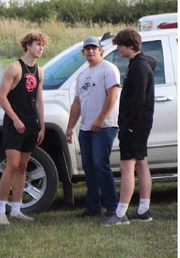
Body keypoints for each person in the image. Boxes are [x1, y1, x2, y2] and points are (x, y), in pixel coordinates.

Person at [102, 29, 157, 226]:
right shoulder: (140, 64)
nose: (117, 49)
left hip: (135, 125)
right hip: (140, 124)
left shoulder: (139, 67)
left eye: (119, 45)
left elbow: (139, 99)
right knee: (141, 163)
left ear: (130, 46)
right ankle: (143, 210)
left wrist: (130, 126)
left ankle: (120, 213)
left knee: (127, 166)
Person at [0, 32, 49, 225]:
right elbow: (2, 97)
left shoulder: (40, 72)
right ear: (27, 46)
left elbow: (39, 100)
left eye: (43, 45)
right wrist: (16, 119)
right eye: (37, 44)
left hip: (31, 125)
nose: (40, 48)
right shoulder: (14, 68)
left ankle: (16, 209)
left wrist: (41, 126)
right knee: (12, 165)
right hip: (13, 124)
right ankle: (1, 210)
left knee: (23, 167)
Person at [65, 36, 120, 218]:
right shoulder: (82, 74)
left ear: (100, 51)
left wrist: (100, 119)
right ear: (83, 52)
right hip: (86, 128)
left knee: (100, 164)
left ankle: (113, 207)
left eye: (93, 48)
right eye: (87, 49)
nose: (90, 51)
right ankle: (93, 207)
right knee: (89, 167)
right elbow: (77, 103)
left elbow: (112, 96)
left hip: (104, 126)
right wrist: (69, 127)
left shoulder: (108, 69)